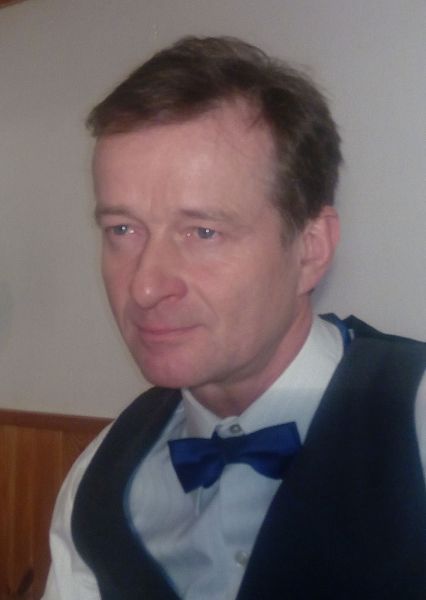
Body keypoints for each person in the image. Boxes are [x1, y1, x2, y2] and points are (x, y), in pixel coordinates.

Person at [42, 36, 426, 600]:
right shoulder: (98, 477)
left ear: (310, 249)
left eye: (203, 231)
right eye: (122, 229)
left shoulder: (416, 421)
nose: (145, 286)